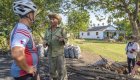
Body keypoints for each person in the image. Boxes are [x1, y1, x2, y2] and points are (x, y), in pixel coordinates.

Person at [10, 0, 40, 80]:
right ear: (29, 14)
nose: (35, 16)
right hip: (24, 74)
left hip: (28, 73)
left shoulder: (21, 28)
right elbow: (17, 54)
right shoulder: (22, 29)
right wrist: (28, 69)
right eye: (34, 13)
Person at [44, 13, 68, 80]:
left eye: (53, 19)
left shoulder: (62, 29)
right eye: (50, 19)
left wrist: (62, 39)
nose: (51, 20)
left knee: (62, 72)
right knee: (52, 71)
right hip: (50, 54)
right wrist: (45, 43)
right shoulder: (47, 30)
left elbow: (66, 39)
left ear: (58, 20)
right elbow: (45, 39)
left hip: (59, 54)